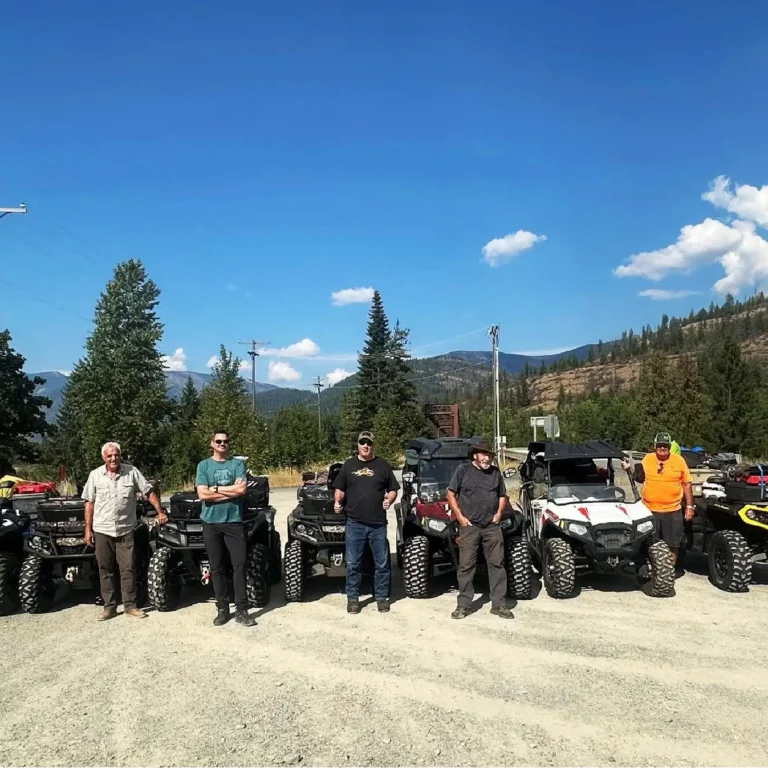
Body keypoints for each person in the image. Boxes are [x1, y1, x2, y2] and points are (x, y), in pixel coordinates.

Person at [82, 441, 167, 621]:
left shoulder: (132, 472)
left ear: (120, 455)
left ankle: (130, 606)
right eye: (110, 455)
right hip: (102, 529)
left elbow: (149, 491)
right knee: (105, 568)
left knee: (128, 568)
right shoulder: (95, 475)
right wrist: (87, 529)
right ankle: (109, 607)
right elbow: (89, 503)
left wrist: (160, 511)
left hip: (125, 528)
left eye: (116, 455)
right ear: (103, 457)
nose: (114, 458)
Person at [333, 431, 400, 614]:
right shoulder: (349, 465)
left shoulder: (382, 465)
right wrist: (337, 502)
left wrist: (390, 499)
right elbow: (340, 488)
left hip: (378, 524)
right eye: (362, 443)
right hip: (355, 523)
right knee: (353, 563)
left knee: (382, 563)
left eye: (368, 443)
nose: (365, 446)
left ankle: (381, 598)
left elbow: (393, 489)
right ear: (358, 445)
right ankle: (352, 599)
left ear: (372, 445)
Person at [195, 430, 256, 627]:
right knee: (217, 567)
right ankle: (222, 608)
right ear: (212, 443)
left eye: (226, 441)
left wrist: (215, 489)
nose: (223, 444)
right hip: (211, 523)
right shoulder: (204, 465)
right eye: (219, 441)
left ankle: (242, 609)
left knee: (239, 564)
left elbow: (242, 490)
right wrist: (229, 491)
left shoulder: (237, 464)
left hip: (233, 521)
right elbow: (202, 494)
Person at [446, 441, 513, 620]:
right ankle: (463, 605)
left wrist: (499, 513)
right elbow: (450, 493)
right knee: (466, 565)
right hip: (470, 526)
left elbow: (501, 495)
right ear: (475, 455)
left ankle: (498, 605)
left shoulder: (495, 473)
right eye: (484, 454)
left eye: (490, 455)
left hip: (492, 526)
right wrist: (460, 517)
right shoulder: (462, 471)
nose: (487, 458)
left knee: (497, 564)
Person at [626, 432, 693, 566]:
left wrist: (690, 507)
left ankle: (668, 571)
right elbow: (640, 478)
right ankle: (651, 570)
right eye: (660, 445)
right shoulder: (647, 459)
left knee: (673, 544)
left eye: (665, 446)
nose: (662, 448)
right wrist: (629, 469)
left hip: (673, 510)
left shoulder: (678, 461)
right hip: (650, 510)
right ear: (655, 446)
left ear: (669, 447)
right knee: (648, 542)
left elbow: (687, 483)